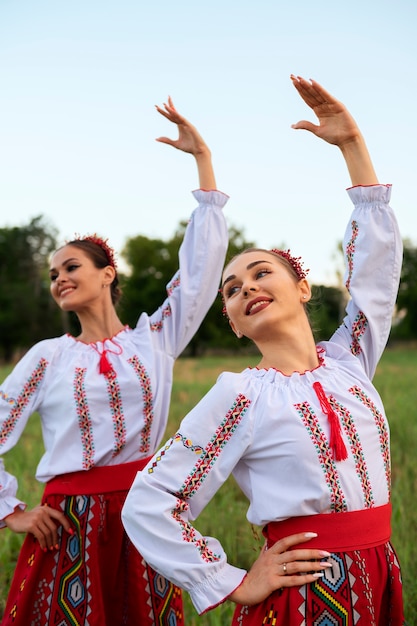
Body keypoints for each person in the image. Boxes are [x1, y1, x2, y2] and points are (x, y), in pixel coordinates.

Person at [122, 75, 405, 625]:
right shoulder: (240, 396)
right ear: (232, 322)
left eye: (260, 272)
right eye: (231, 288)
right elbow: (149, 502)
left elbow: (374, 278)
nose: (245, 286)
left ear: (302, 288)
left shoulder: (349, 361)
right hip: (305, 596)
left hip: (378, 576)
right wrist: (230, 582)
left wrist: (352, 147)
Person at [0, 98, 228, 626]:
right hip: (69, 523)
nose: (58, 278)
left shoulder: (154, 340)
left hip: (145, 515)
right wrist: (14, 513)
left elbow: (197, 276)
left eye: (71, 266)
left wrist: (204, 167)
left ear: (107, 274)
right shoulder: (47, 357)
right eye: (52, 273)